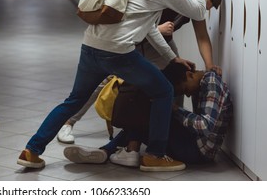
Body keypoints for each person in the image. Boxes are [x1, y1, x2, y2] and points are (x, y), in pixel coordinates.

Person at [16, 0, 206, 171]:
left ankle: (31, 150)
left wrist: (172, 58)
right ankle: (155, 155)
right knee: (163, 91)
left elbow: (150, 29)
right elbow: (199, 10)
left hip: (91, 45)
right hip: (118, 52)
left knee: (74, 100)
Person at [57, 0, 222, 144]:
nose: (200, 11)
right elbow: (137, 18)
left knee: (176, 76)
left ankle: (168, 128)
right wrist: (158, 29)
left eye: (204, 8)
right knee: (105, 80)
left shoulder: (196, 6)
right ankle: (68, 122)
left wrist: (209, 66)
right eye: (202, 4)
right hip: (134, 38)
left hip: (161, 43)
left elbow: (202, 36)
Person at [63, 62, 233, 170]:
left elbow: (205, 126)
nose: (187, 95)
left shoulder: (210, 81)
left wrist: (174, 110)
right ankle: (110, 151)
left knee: (151, 114)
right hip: (193, 143)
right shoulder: (202, 83)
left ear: (189, 75)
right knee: (150, 114)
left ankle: (113, 151)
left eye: (184, 90)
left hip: (198, 152)